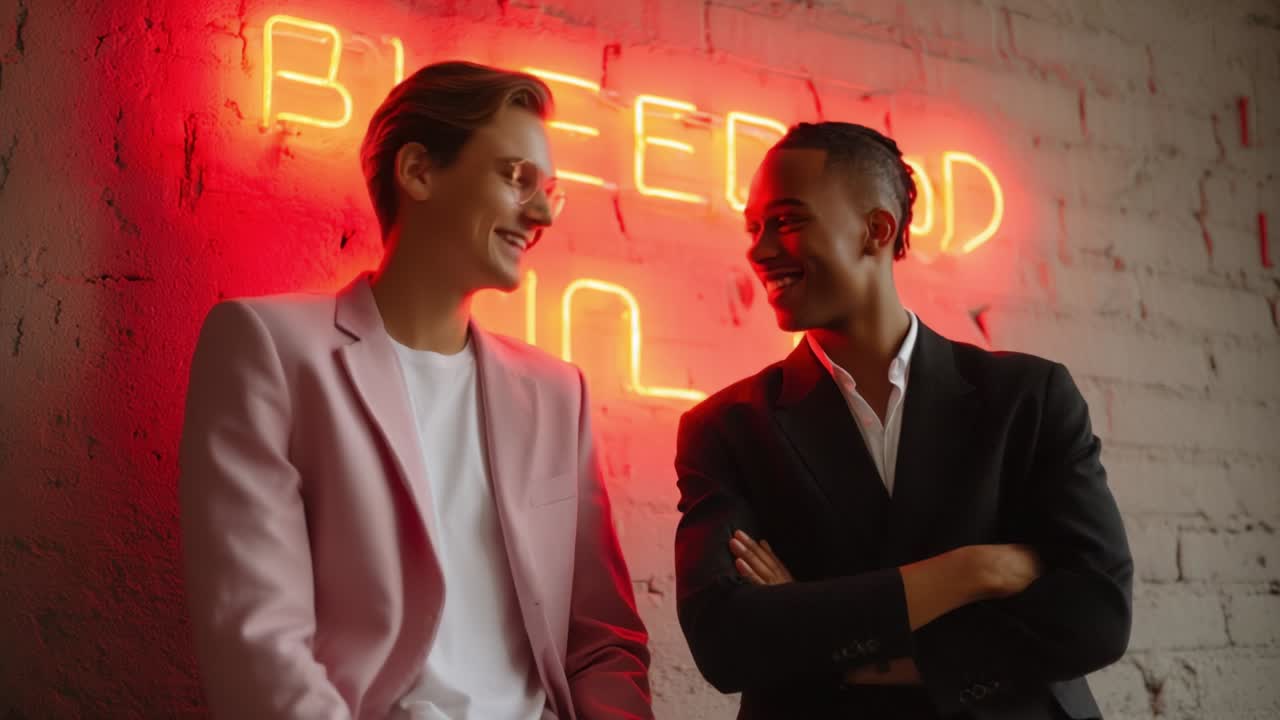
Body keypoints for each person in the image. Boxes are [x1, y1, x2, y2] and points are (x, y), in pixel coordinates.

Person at [180, 61, 652, 720]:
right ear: (418, 172)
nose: (542, 211)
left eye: (550, 189)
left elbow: (602, 644)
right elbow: (256, 640)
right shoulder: (270, 348)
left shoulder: (556, 394)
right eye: (516, 177)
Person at [673, 121, 1132, 719]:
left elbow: (1095, 613)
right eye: (753, 228)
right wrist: (970, 571)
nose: (758, 250)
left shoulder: (1029, 396)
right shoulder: (726, 427)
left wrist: (842, 642)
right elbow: (727, 642)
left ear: (876, 230)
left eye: (786, 221)